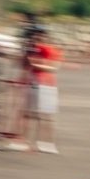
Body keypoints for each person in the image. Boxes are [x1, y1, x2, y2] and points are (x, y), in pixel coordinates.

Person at [24, 24, 61, 154]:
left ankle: (48, 143)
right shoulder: (32, 49)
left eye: (39, 34)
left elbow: (54, 67)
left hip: (47, 84)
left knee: (47, 115)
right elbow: (26, 64)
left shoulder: (49, 49)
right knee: (32, 114)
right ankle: (31, 143)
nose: (36, 36)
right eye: (35, 34)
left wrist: (36, 65)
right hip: (35, 83)